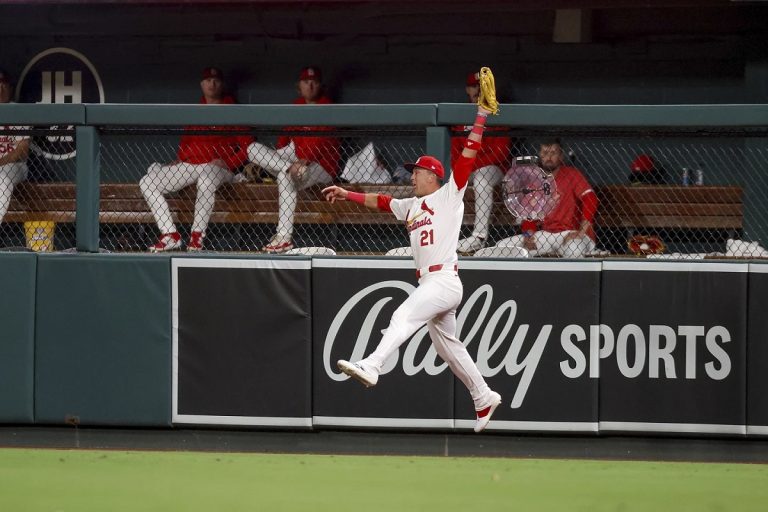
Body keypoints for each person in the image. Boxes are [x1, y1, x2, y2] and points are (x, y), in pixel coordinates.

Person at [322, 103, 502, 433]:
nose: (412, 174)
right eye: (413, 170)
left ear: (433, 176)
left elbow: (469, 155)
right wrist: (346, 193)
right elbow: (381, 201)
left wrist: (481, 116)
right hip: (433, 282)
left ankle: (373, 364)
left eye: (417, 171)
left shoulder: (449, 195)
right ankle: (483, 396)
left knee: (403, 315)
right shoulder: (410, 205)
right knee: (448, 347)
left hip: (444, 278)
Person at [139, 67, 253, 252]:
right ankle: (170, 234)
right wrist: (180, 159)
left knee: (206, 181)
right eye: (208, 80)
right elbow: (186, 143)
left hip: (216, 167)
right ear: (202, 84)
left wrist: (229, 163)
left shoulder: (232, 109)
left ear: (222, 84)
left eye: (216, 80)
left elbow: (249, 147)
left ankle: (197, 236)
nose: (212, 83)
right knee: (147, 182)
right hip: (190, 165)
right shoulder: (196, 109)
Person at [247, 66, 340, 253]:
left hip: (322, 166)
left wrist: (304, 161)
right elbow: (283, 141)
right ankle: (286, 167)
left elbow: (320, 143)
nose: (311, 85)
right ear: (300, 85)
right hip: (295, 162)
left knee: (284, 177)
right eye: (306, 82)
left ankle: (283, 237)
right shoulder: (296, 105)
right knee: (252, 149)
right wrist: (288, 162)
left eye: (314, 82)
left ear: (321, 85)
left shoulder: (327, 106)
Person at [492, 139, 598, 258]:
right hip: (546, 235)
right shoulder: (535, 180)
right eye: (545, 152)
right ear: (540, 155)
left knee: (574, 249)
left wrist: (581, 232)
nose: (549, 156)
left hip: (572, 233)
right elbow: (529, 216)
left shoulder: (571, 174)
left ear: (561, 156)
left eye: (553, 152)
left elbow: (590, 199)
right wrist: (528, 236)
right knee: (501, 247)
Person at [454, 71, 512, 253]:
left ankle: (479, 237)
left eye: (481, 87)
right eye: (474, 86)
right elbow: (454, 149)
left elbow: (501, 152)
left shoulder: (496, 111)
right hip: (466, 167)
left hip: (492, 169)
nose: (477, 90)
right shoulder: (459, 114)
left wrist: (472, 165)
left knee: (481, 179)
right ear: (467, 89)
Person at [0, 69, 31, 227]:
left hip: (15, 167)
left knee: (3, 179)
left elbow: (23, 149)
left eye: (3, 84)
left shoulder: (19, 110)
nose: (1, 89)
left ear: (10, 88)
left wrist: (1, 162)